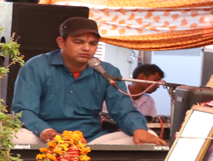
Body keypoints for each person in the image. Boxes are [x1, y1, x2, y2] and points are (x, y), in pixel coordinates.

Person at [13, 17, 165, 146]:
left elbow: (123, 110)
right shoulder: (37, 66)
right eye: (78, 42)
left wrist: (138, 129)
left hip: (91, 141)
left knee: (147, 135)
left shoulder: (107, 72)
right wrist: (45, 131)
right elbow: (24, 109)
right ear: (61, 42)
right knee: (14, 136)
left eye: (93, 43)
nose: (86, 48)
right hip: (46, 138)